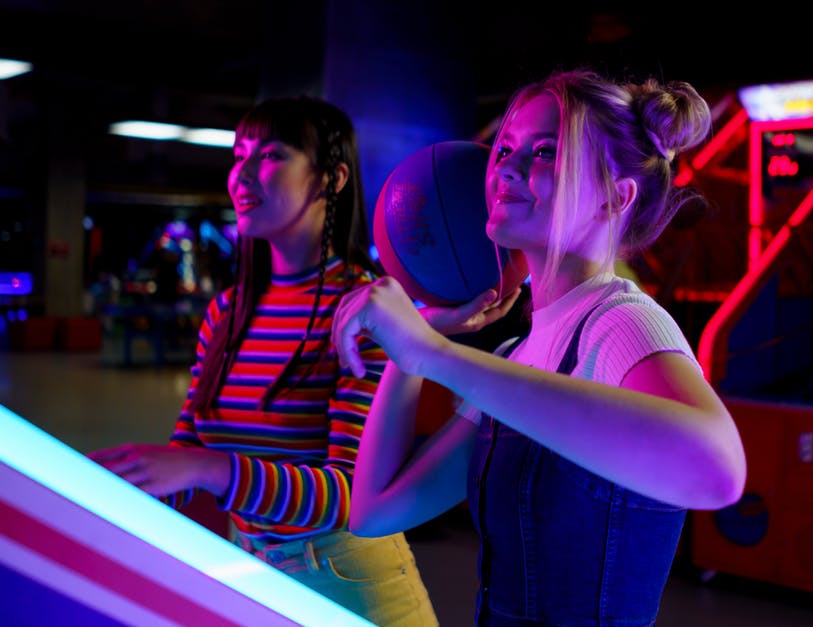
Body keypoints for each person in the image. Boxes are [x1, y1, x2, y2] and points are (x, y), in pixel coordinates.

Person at [333, 68, 748, 626]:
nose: (507, 165)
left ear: (613, 197)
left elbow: (719, 470)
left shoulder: (622, 322)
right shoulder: (518, 355)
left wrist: (432, 355)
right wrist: (419, 344)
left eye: (546, 151)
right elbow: (377, 510)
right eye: (505, 147)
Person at [87, 95, 519, 626]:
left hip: (346, 582)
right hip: (248, 574)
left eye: (269, 155)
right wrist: (126, 486)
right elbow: (188, 451)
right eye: (238, 155)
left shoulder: (368, 309)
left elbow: (348, 494)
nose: (242, 174)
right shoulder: (228, 311)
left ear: (332, 179)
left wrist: (207, 468)